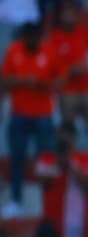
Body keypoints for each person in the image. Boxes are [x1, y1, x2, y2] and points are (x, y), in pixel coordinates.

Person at [3, 22, 57, 218]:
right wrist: (24, 81)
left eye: (35, 37)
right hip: (19, 113)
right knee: (17, 158)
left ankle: (47, 201)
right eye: (29, 37)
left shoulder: (49, 51)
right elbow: (4, 80)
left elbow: (60, 80)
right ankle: (16, 200)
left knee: (45, 160)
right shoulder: (13, 50)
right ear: (24, 37)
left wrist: (41, 83)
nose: (32, 40)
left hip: (43, 113)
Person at [47, 0, 88, 160]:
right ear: (60, 15)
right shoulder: (54, 37)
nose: (69, 15)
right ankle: (67, 165)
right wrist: (70, 70)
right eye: (65, 12)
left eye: (71, 11)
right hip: (68, 91)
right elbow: (51, 66)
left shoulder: (84, 32)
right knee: (67, 131)